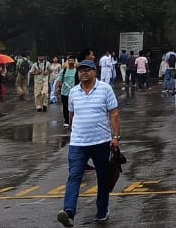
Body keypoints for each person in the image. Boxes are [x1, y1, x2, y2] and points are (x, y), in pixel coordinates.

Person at [56, 59, 120, 226]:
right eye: (81, 70)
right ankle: (69, 212)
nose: (83, 73)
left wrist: (116, 137)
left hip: (102, 142)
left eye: (87, 70)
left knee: (103, 178)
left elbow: (114, 114)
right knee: (74, 176)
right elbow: (71, 116)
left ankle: (101, 210)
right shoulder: (74, 92)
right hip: (78, 143)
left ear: (95, 72)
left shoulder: (105, 89)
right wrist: (75, 132)